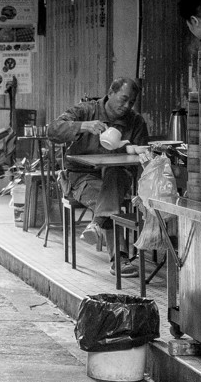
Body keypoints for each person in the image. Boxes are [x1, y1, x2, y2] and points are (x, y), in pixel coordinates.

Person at [47, 77, 150, 276]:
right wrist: (84, 126)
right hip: (81, 177)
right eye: (123, 99)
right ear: (110, 92)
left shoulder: (135, 121)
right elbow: (52, 130)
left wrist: (134, 149)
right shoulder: (86, 111)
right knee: (107, 200)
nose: (127, 106)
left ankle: (97, 224)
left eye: (131, 102)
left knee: (115, 175)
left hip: (117, 177)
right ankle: (119, 259)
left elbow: (141, 157)